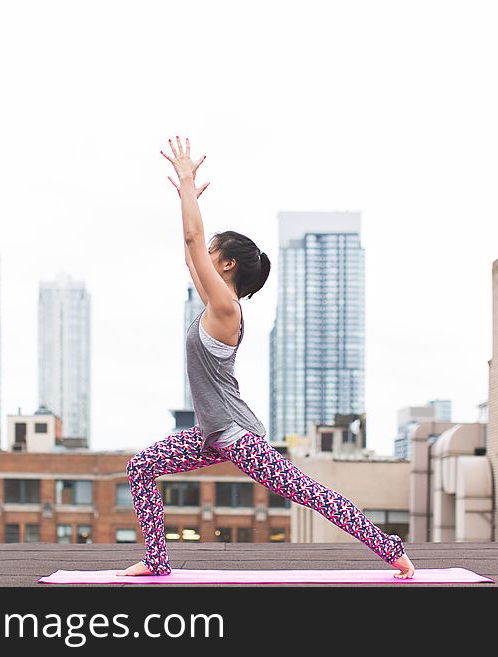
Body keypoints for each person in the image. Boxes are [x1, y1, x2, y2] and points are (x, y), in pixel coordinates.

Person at [118, 135, 415, 579]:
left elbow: (192, 238)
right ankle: (157, 562)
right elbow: (190, 252)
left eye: (212, 252)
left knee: (308, 493)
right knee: (141, 466)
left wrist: (184, 185)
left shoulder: (225, 310)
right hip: (208, 434)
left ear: (227, 266)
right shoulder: (215, 304)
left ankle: (391, 549)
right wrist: (187, 201)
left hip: (237, 436)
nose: (203, 255)